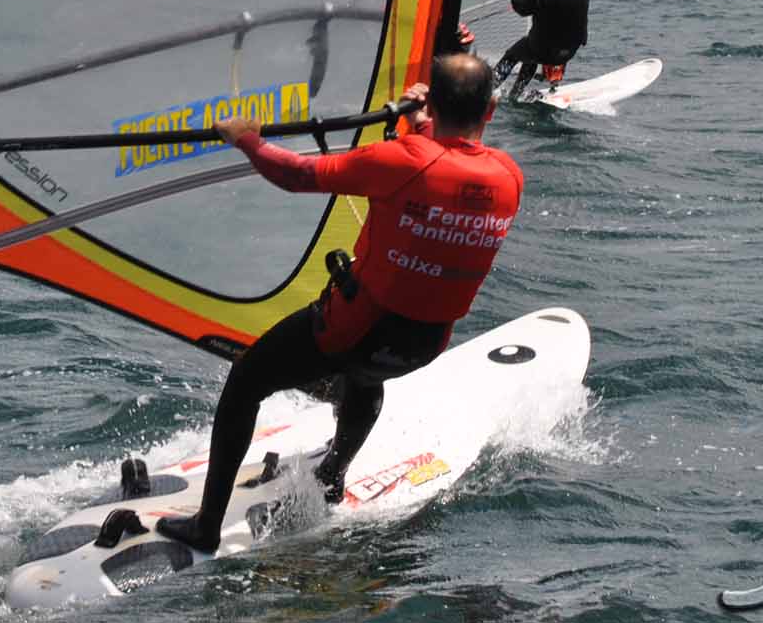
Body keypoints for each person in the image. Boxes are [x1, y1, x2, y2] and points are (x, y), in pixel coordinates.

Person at [154, 51, 522, 553]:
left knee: (246, 381)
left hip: (353, 329)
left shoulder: (402, 160)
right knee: (364, 378)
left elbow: (296, 174)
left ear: (434, 104)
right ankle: (331, 477)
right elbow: (445, 176)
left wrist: (247, 139)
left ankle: (206, 527)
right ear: (491, 110)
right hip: (422, 344)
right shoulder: (509, 177)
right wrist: (421, 125)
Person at [495, 0, 598, 95]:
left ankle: (488, 87)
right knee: (530, 52)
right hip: (569, 51)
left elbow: (522, 8)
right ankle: (516, 92)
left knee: (513, 55)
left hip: (542, 50)